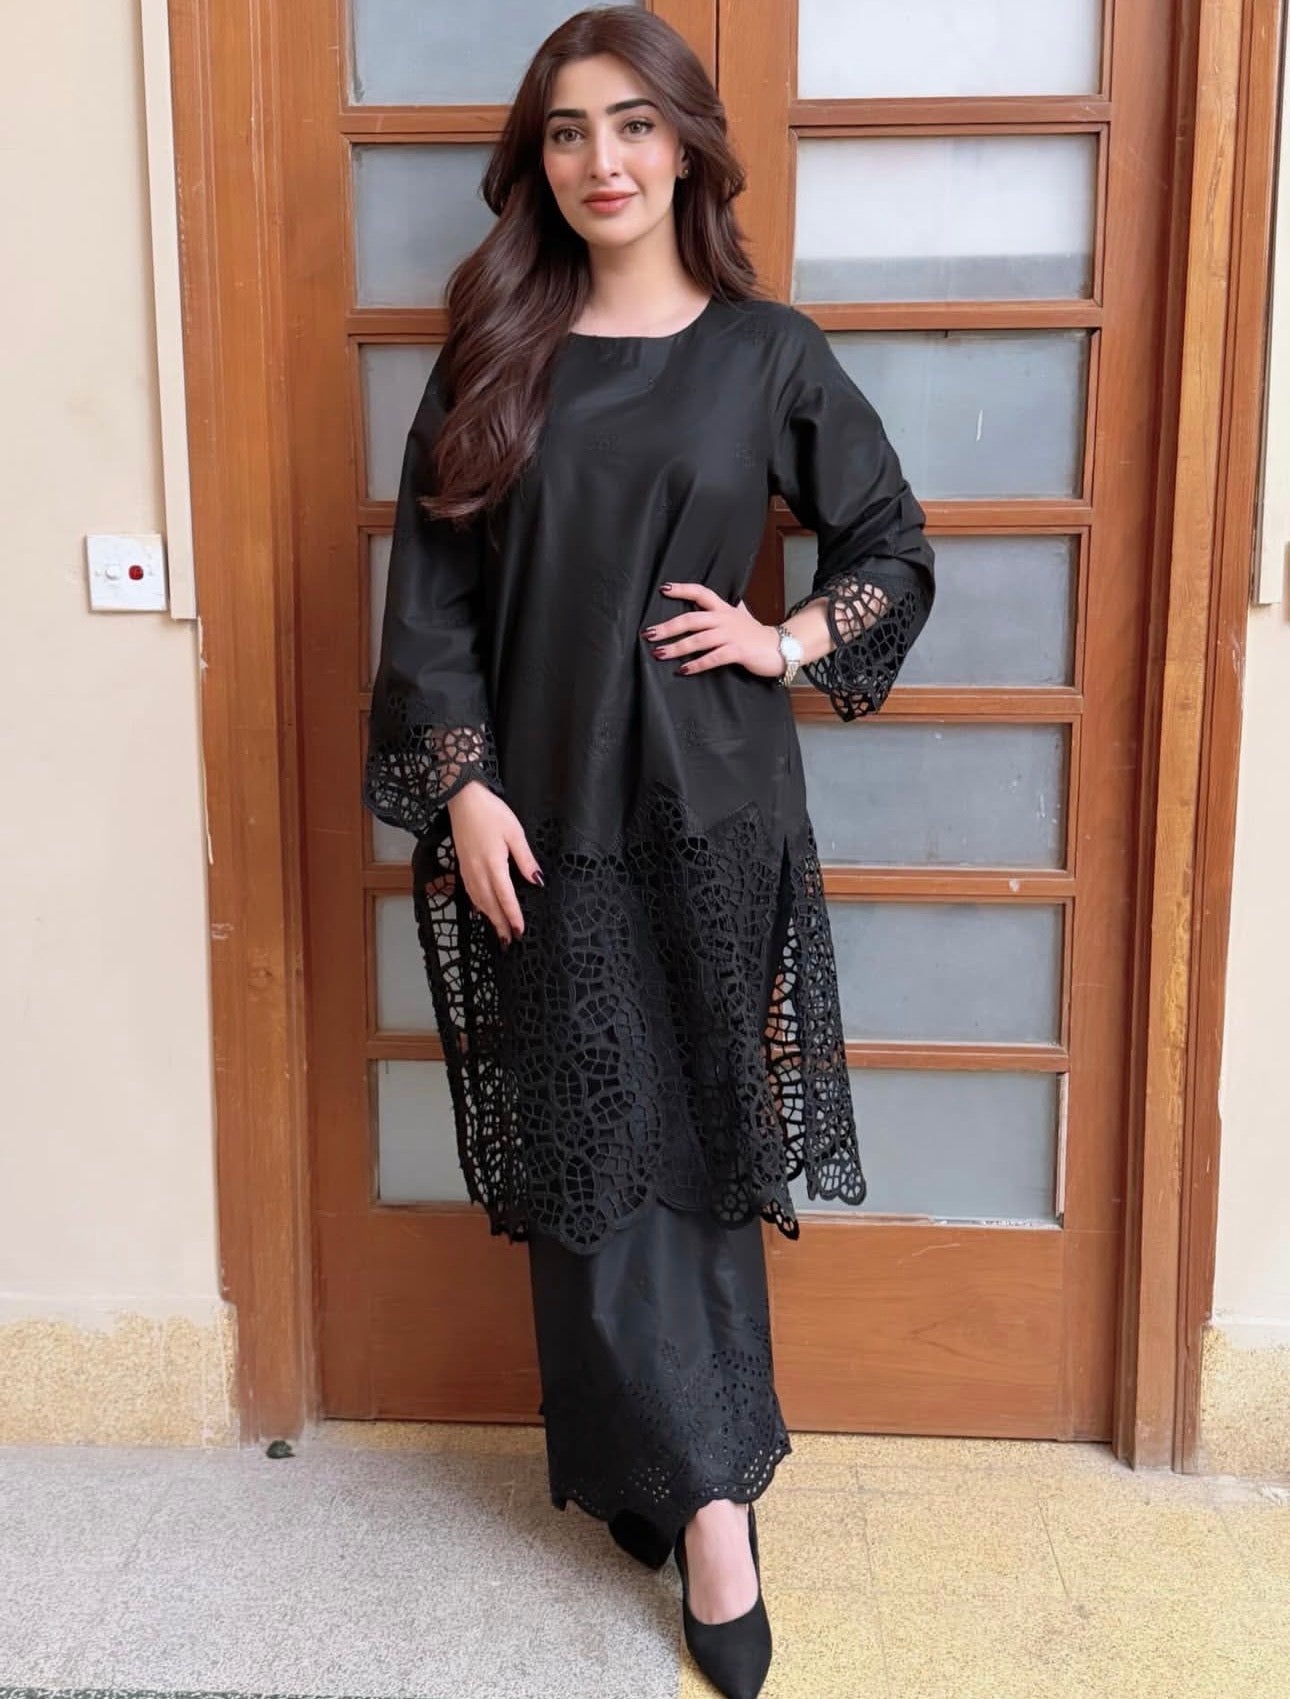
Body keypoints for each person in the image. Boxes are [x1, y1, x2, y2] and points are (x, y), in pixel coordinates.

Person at [362, 9, 935, 1696]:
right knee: (590, 1160)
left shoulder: (767, 353)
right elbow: (431, 601)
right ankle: (660, 1467)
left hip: (712, 815)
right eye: (565, 132)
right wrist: (461, 787)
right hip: (540, 820)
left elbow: (891, 548)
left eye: (629, 125)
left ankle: (710, 1509)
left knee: (690, 1152)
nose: (599, 160)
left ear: (684, 146)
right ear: (535, 161)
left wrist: (784, 638)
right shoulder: (493, 352)